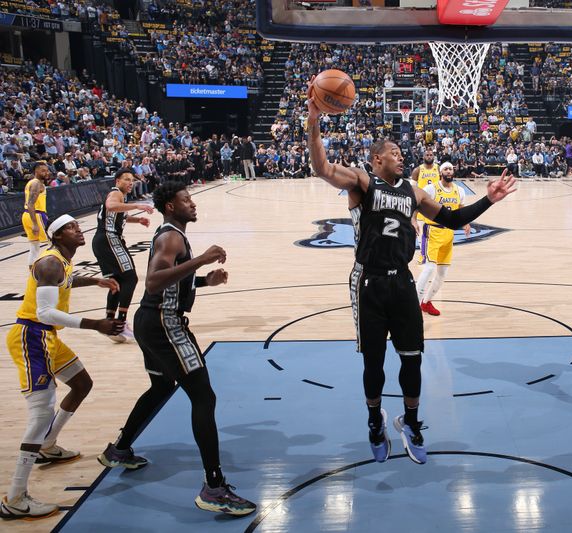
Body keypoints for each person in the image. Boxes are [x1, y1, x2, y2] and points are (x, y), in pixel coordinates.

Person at [307, 88, 517, 465]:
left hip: (402, 280)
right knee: (373, 363)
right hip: (368, 281)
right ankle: (375, 420)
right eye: (394, 153)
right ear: (377, 159)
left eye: (401, 153)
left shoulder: (414, 192)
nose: (401, 156)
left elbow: (451, 219)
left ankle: (411, 421)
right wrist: (314, 121)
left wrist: (489, 199)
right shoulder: (362, 183)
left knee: (412, 359)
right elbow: (322, 167)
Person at [97, 182, 256, 516]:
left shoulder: (173, 235)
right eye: (186, 200)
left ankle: (119, 449)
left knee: (160, 387)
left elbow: (172, 281)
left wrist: (205, 280)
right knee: (204, 397)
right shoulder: (171, 237)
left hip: (149, 321)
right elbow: (154, 281)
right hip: (164, 324)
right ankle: (214, 488)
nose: (192, 203)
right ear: (170, 206)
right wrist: (201, 260)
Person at [2, 215, 123, 520]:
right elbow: (45, 312)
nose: (78, 229)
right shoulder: (49, 263)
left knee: (82, 384)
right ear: (56, 236)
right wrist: (95, 324)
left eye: (77, 225)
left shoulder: (61, 262)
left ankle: (48, 445)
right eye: (71, 228)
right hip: (32, 337)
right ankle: (15, 498)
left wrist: (94, 280)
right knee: (41, 413)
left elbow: (65, 280)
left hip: (47, 338)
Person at [92, 169, 154, 343]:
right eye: (126, 179)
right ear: (117, 181)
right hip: (109, 239)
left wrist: (137, 220)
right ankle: (121, 322)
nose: (130, 183)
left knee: (117, 282)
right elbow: (111, 206)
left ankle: (109, 323)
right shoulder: (116, 193)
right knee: (131, 278)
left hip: (102, 241)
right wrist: (138, 206)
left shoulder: (121, 197)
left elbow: (118, 214)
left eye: (132, 180)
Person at [412, 162, 469, 316]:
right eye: (446, 169)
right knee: (429, 268)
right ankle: (413, 304)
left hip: (448, 234)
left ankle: (426, 302)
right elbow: (418, 203)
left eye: (450, 169)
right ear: (440, 172)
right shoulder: (431, 189)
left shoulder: (459, 190)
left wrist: (466, 222)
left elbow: (461, 209)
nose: (449, 171)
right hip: (432, 231)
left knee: (442, 273)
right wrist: (413, 219)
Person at [22, 163, 51, 267]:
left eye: (47, 170)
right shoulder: (37, 184)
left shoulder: (31, 182)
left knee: (34, 247)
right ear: (36, 171)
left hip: (27, 215)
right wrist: (35, 223)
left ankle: (32, 271)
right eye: (43, 171)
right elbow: (31, 204)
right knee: (54, 243)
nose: (46, 173)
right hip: (37, 215)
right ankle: (54, 267)